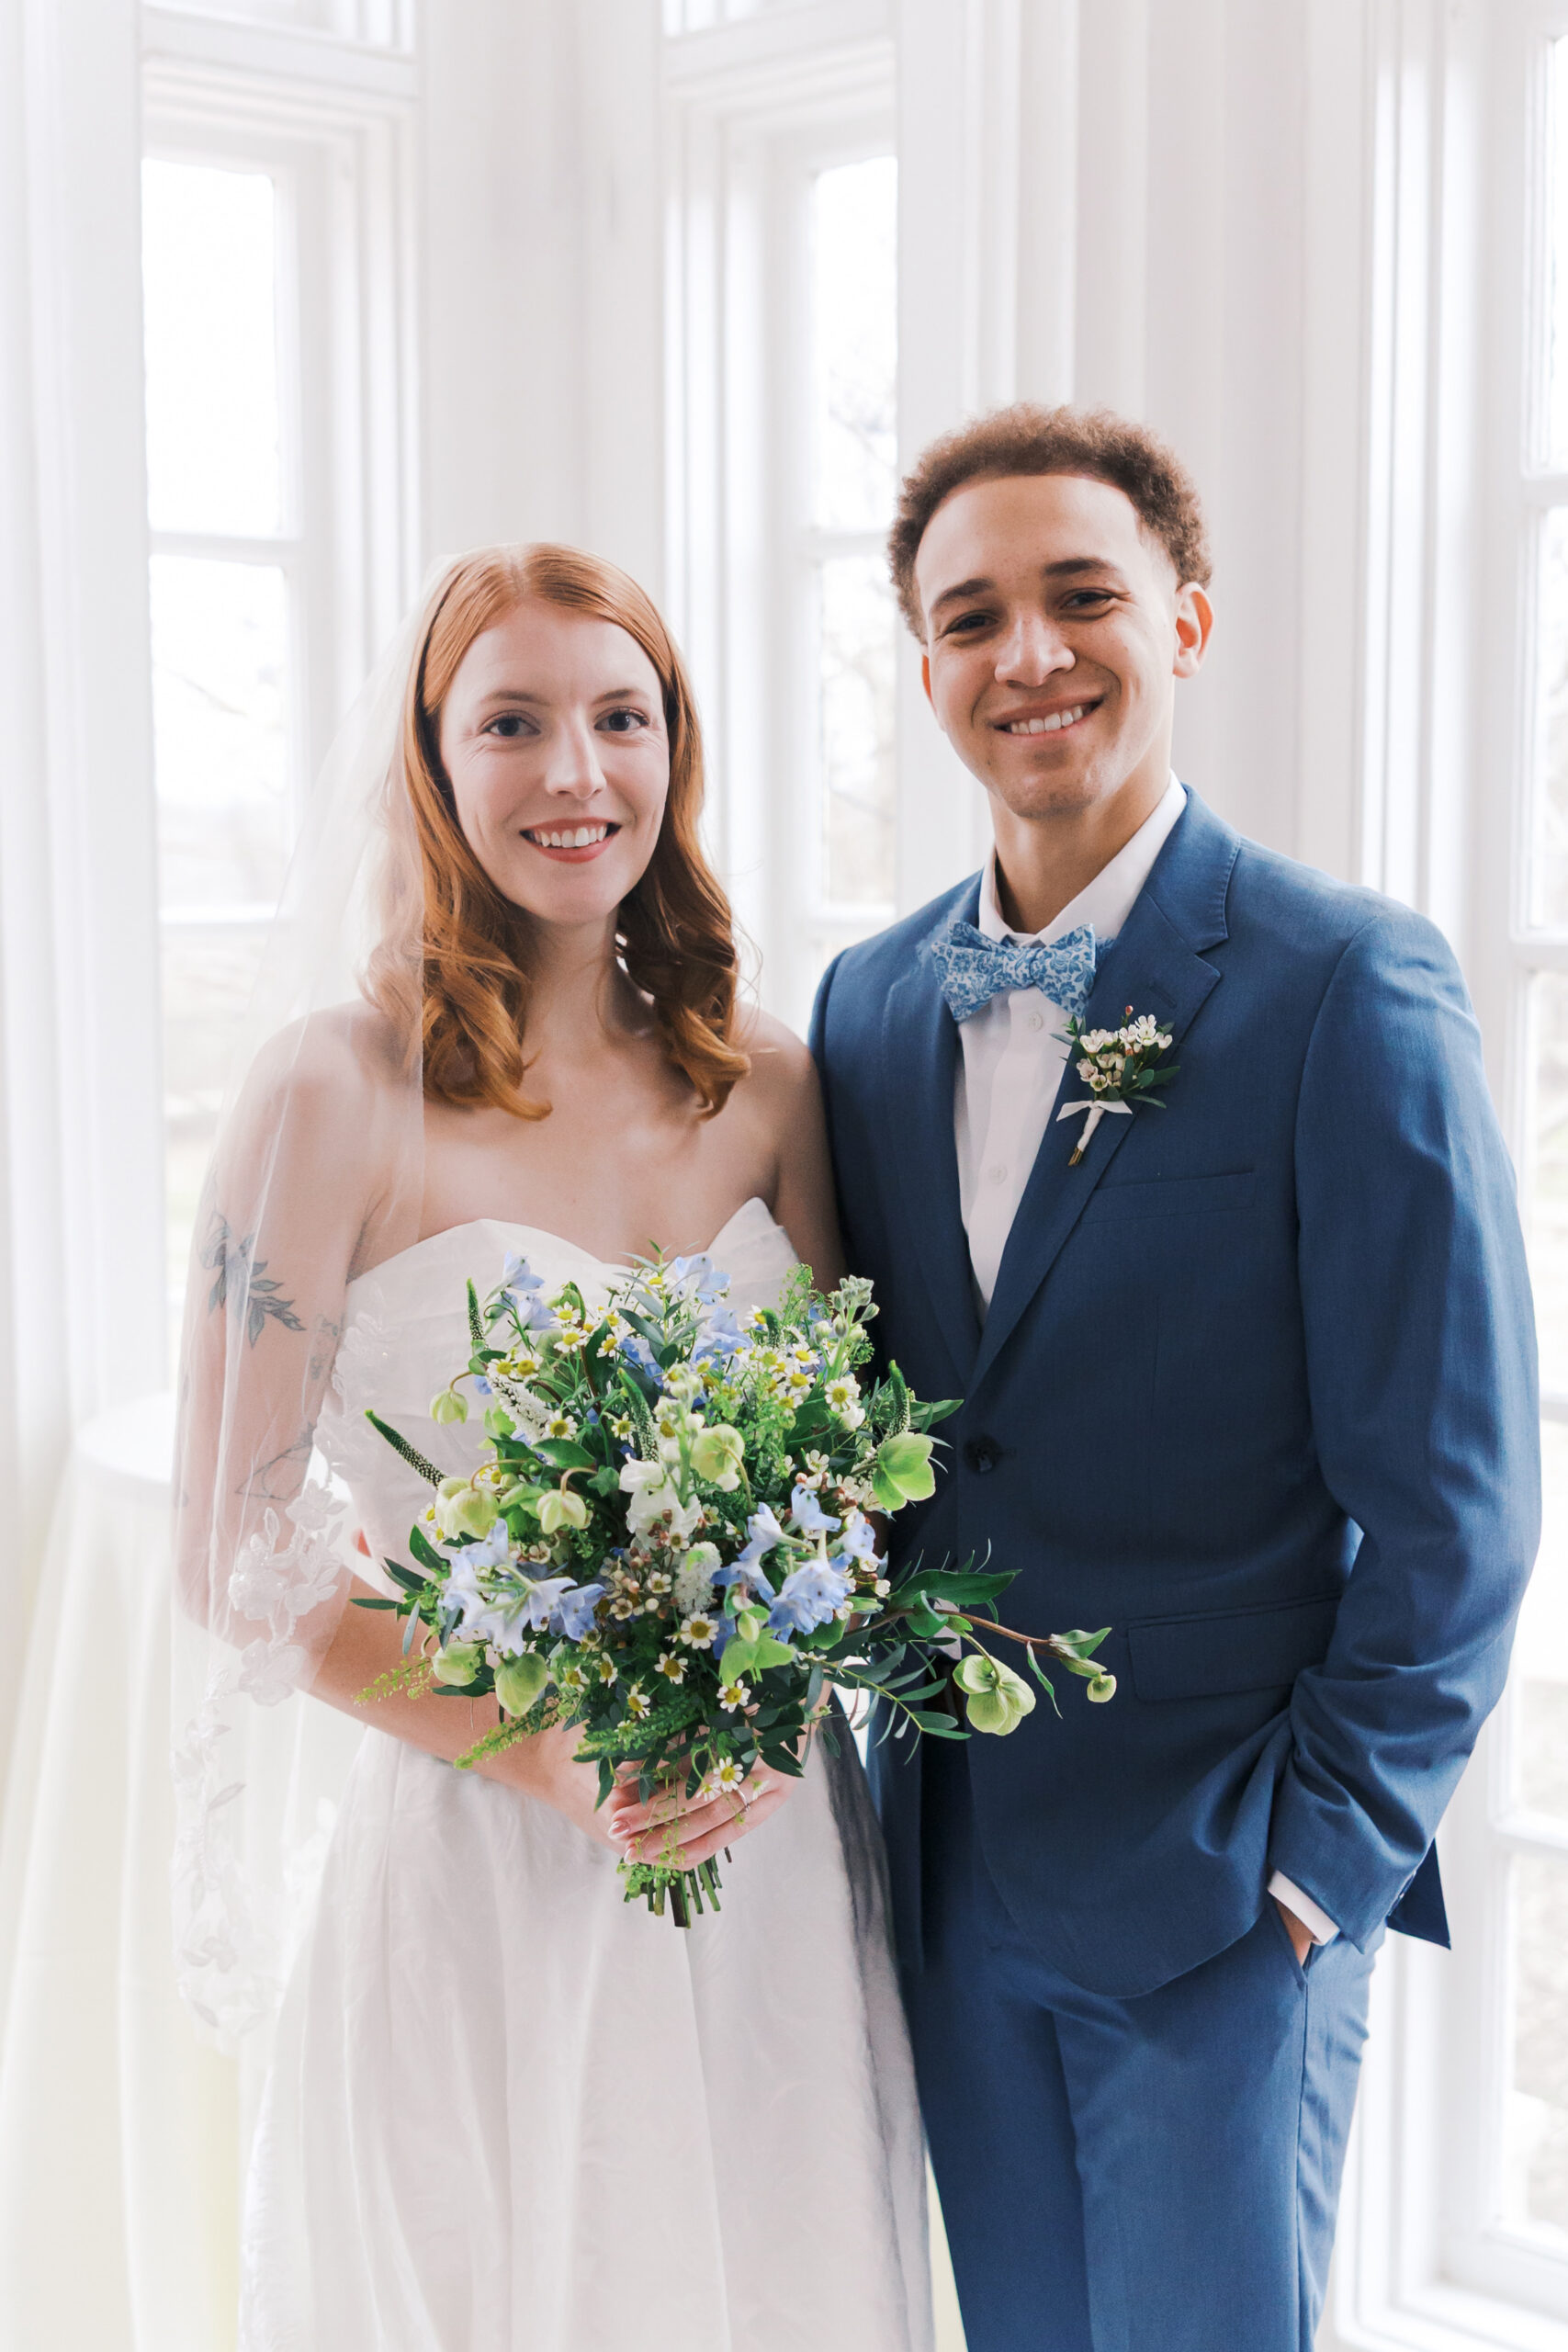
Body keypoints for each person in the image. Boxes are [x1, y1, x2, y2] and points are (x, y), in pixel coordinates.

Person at [809, 403, 1540, 2352]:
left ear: (1187, 622)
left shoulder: (1339, 981)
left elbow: (1457, 1502)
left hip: (1222, 1894)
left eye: (1079, 596)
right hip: (947, 1878)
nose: (1026, 654)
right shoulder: (866, 1007)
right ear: (925, 665)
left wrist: (1307, 1875)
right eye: (970, 616)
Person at [173, 544, 932, 2351]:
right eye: (509, 721)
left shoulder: (765, 1076)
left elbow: (851, 1449)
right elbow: (229, 1547)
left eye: (618, 715)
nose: (572, 771)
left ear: (674, 750)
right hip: (486, 1861)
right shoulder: (329, 1090)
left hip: (766, 1857)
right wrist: (565, 1754)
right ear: (435, 763)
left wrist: (762, 1683)